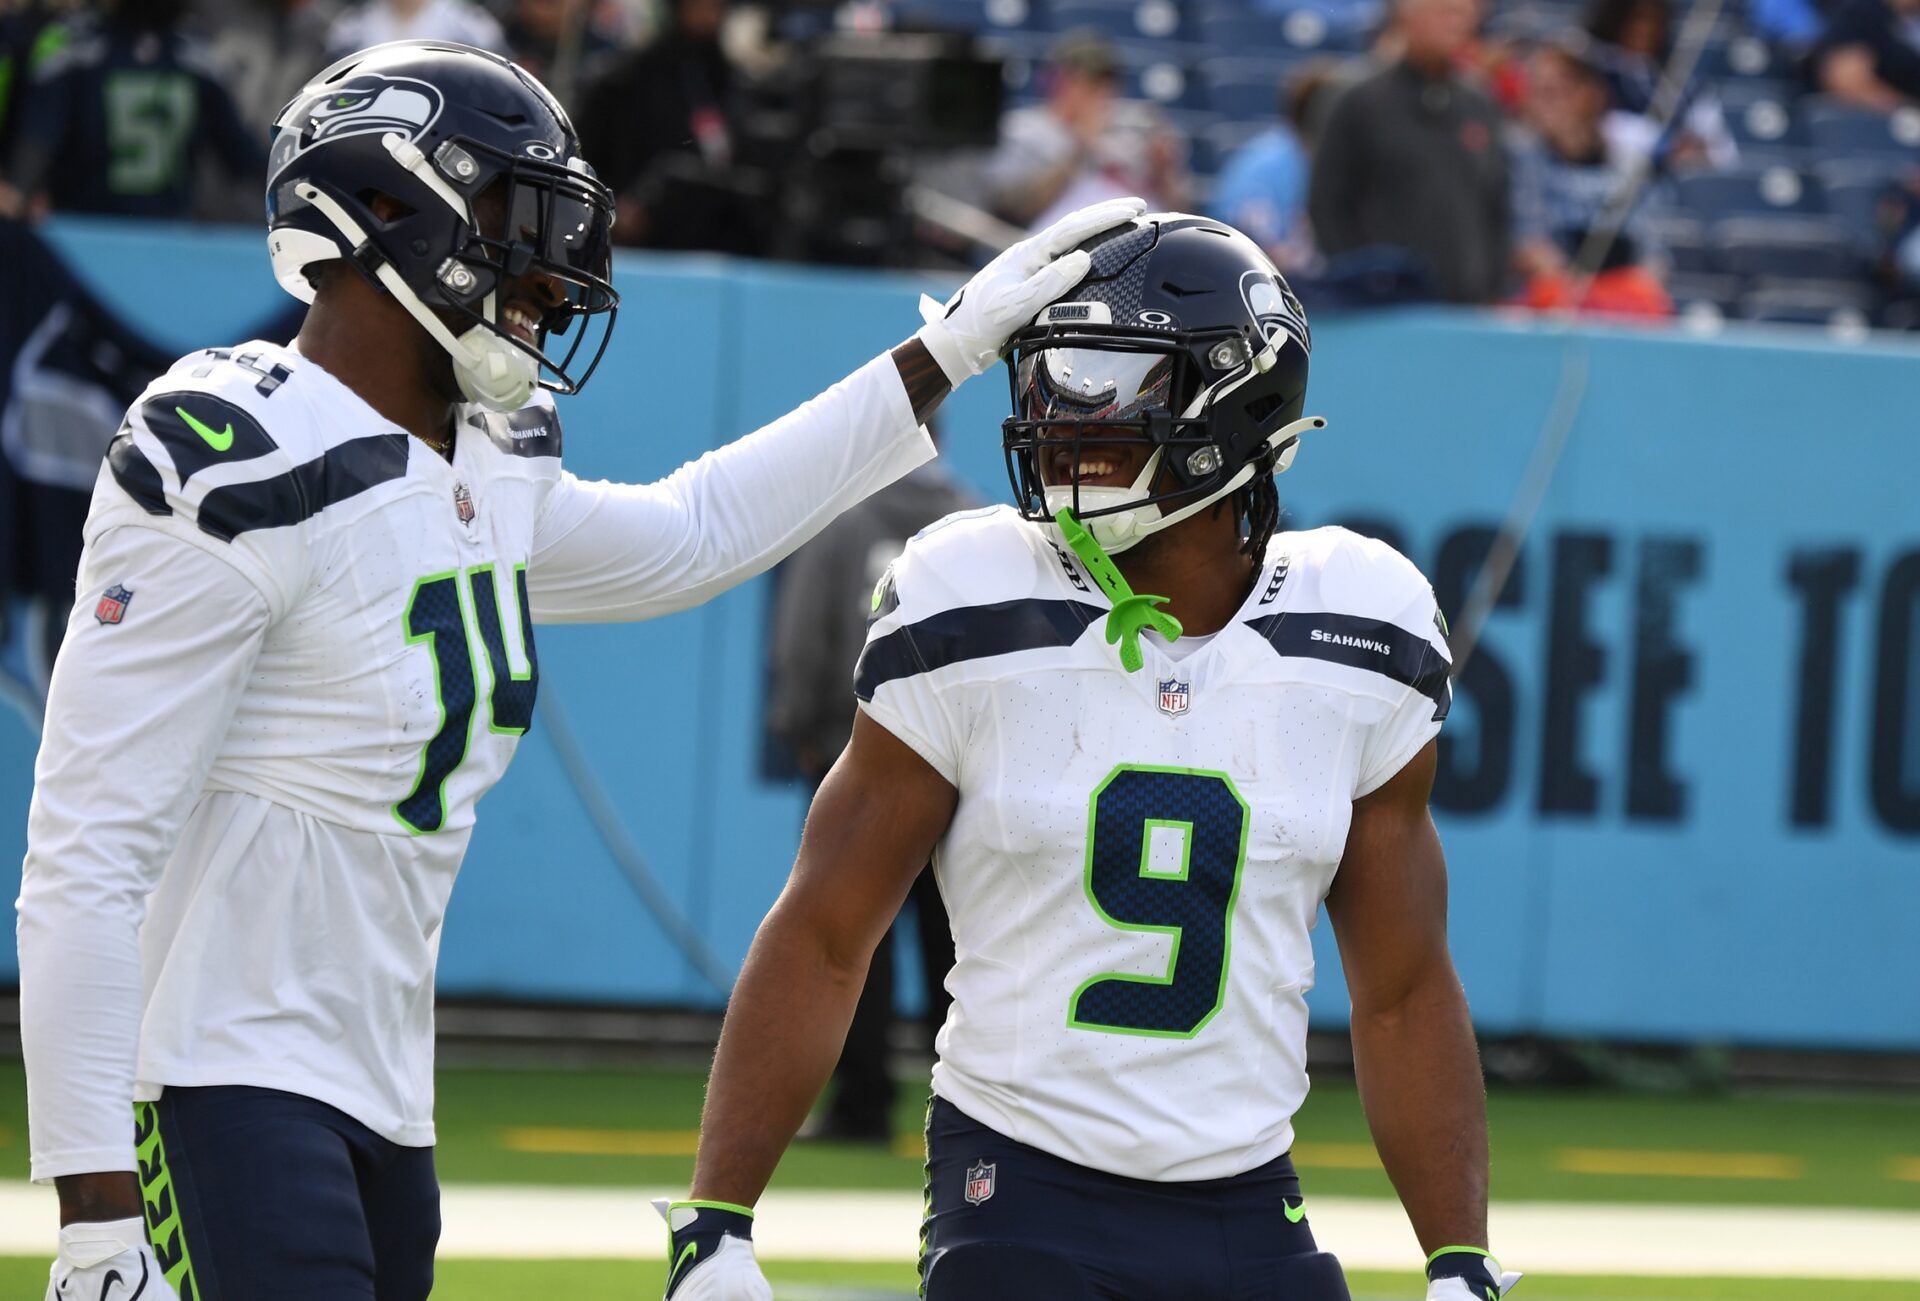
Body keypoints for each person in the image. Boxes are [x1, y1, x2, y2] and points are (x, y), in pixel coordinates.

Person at [16, 36, 1143, 1301]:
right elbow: (87, 845)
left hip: (386, 1090)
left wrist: (945, 352)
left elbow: (692, 534)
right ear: (387, 209)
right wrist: (96, 1214)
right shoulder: (235, 452)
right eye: (514, 213)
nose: (549, 265)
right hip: (218, 1070)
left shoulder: (479, 458)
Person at [664, 213, 1520, 1301]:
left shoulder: (1364, 622)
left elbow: (1401, 984)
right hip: (1018, 1184)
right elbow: (827, 928)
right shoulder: (971, 590)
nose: (1064, 418)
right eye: (1050, 378)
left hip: (1250, 1200)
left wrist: (1458, 1256)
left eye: (1110, 382)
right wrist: (719, 1216)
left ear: (1233, 401)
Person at [765, 445, 976, 1143]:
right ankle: (976, 1109)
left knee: (851, 941)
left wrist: (806, 729)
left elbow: (801, 639)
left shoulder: (844, 521)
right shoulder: (980, 522)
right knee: (961, 944)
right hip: (964, 773)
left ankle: (862, 1106)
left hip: (855, 760)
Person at [1308, 0, 1514, 303]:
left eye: (1466, 13)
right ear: (1406, 15)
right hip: (1385, 308)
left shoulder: (1480, 103)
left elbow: (1497, 206)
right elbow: (1326, 203)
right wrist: (1360, 281)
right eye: (1445, 11)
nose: (1456, 22)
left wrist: (1492, 285)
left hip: (1469, 308)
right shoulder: (1358, 100)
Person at [2, 0, 266, 221]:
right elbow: (36, 147)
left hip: (156, 236)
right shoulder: (77, 51)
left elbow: (242, 155)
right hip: (91, 232)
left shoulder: (195, 56)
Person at [575, 0, 759, 253]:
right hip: (635, 241)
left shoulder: (732, 81)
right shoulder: (625, 78)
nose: (709, 12)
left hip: (710, 240)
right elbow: (587, 155)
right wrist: (613, 207)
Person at [1510, 37, 1671, 317]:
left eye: (1556, 92)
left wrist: (1622, 294)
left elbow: (1653, 254)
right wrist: (1576, 294)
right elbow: (1528, 242)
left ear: (1591, 94)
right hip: (1550, 303)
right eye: (1537, 92)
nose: (1544, 104)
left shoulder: (1627, 163)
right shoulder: (1522, 156)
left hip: (1623, 301)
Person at [984, 27, 1190, 233]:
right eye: (1090, 83)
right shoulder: (1023, 129)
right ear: (1058, 81)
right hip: (1057, 248)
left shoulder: (1134, 126)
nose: (1102, 93)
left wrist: (1163, 173)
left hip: (1136, 243)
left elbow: (1183, 212)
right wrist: (1080, 148)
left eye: (1108, 83)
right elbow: (1014, 210)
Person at [1808, 0, 1920, 109]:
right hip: (1874, 118)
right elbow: (1847, 81)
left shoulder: (1912, 17)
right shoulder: (1862, 12)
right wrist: (1907, 109)